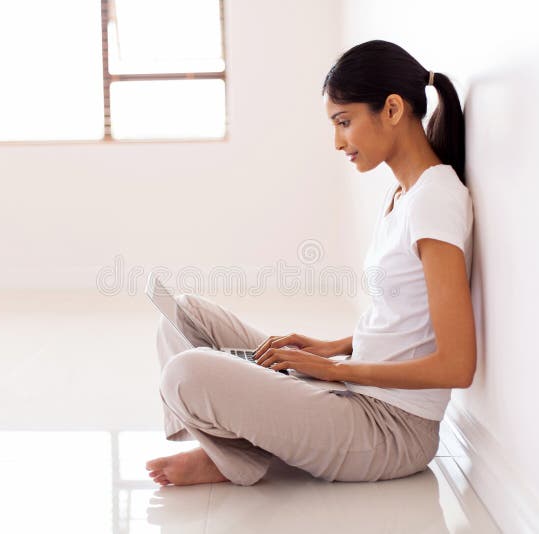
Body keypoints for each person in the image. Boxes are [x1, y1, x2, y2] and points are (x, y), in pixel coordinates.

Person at [145, 40, 476, 487]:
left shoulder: (436, 200)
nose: (338, 141)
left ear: (393, 110)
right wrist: (335, 347)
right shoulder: (405, 194)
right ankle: (231, 452)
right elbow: (406, 321)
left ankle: (232, 460)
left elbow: (457, 365)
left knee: (187, 373)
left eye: (344, 122)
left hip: (390, 429)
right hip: (352, 390)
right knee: (182, 316)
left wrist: (338, 371)